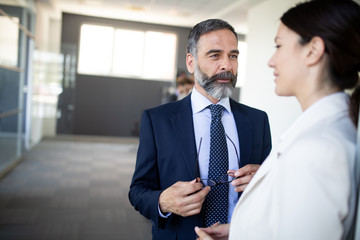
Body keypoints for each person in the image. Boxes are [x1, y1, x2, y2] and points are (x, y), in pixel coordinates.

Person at [195, 0, 360, 239]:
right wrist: (238, 232)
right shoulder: (322, 129)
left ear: (313, 50)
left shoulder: (320, 148)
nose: (271, 61)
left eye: (279, 46)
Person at [129, 18, 272, 240]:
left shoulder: (257, 120)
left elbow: (271, 190)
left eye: (233, 55)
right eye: (215, 55)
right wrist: (162, 201)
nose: (227, 65)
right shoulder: (158, 120)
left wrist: (263, 183)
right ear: (191, 62)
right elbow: (138, 191)